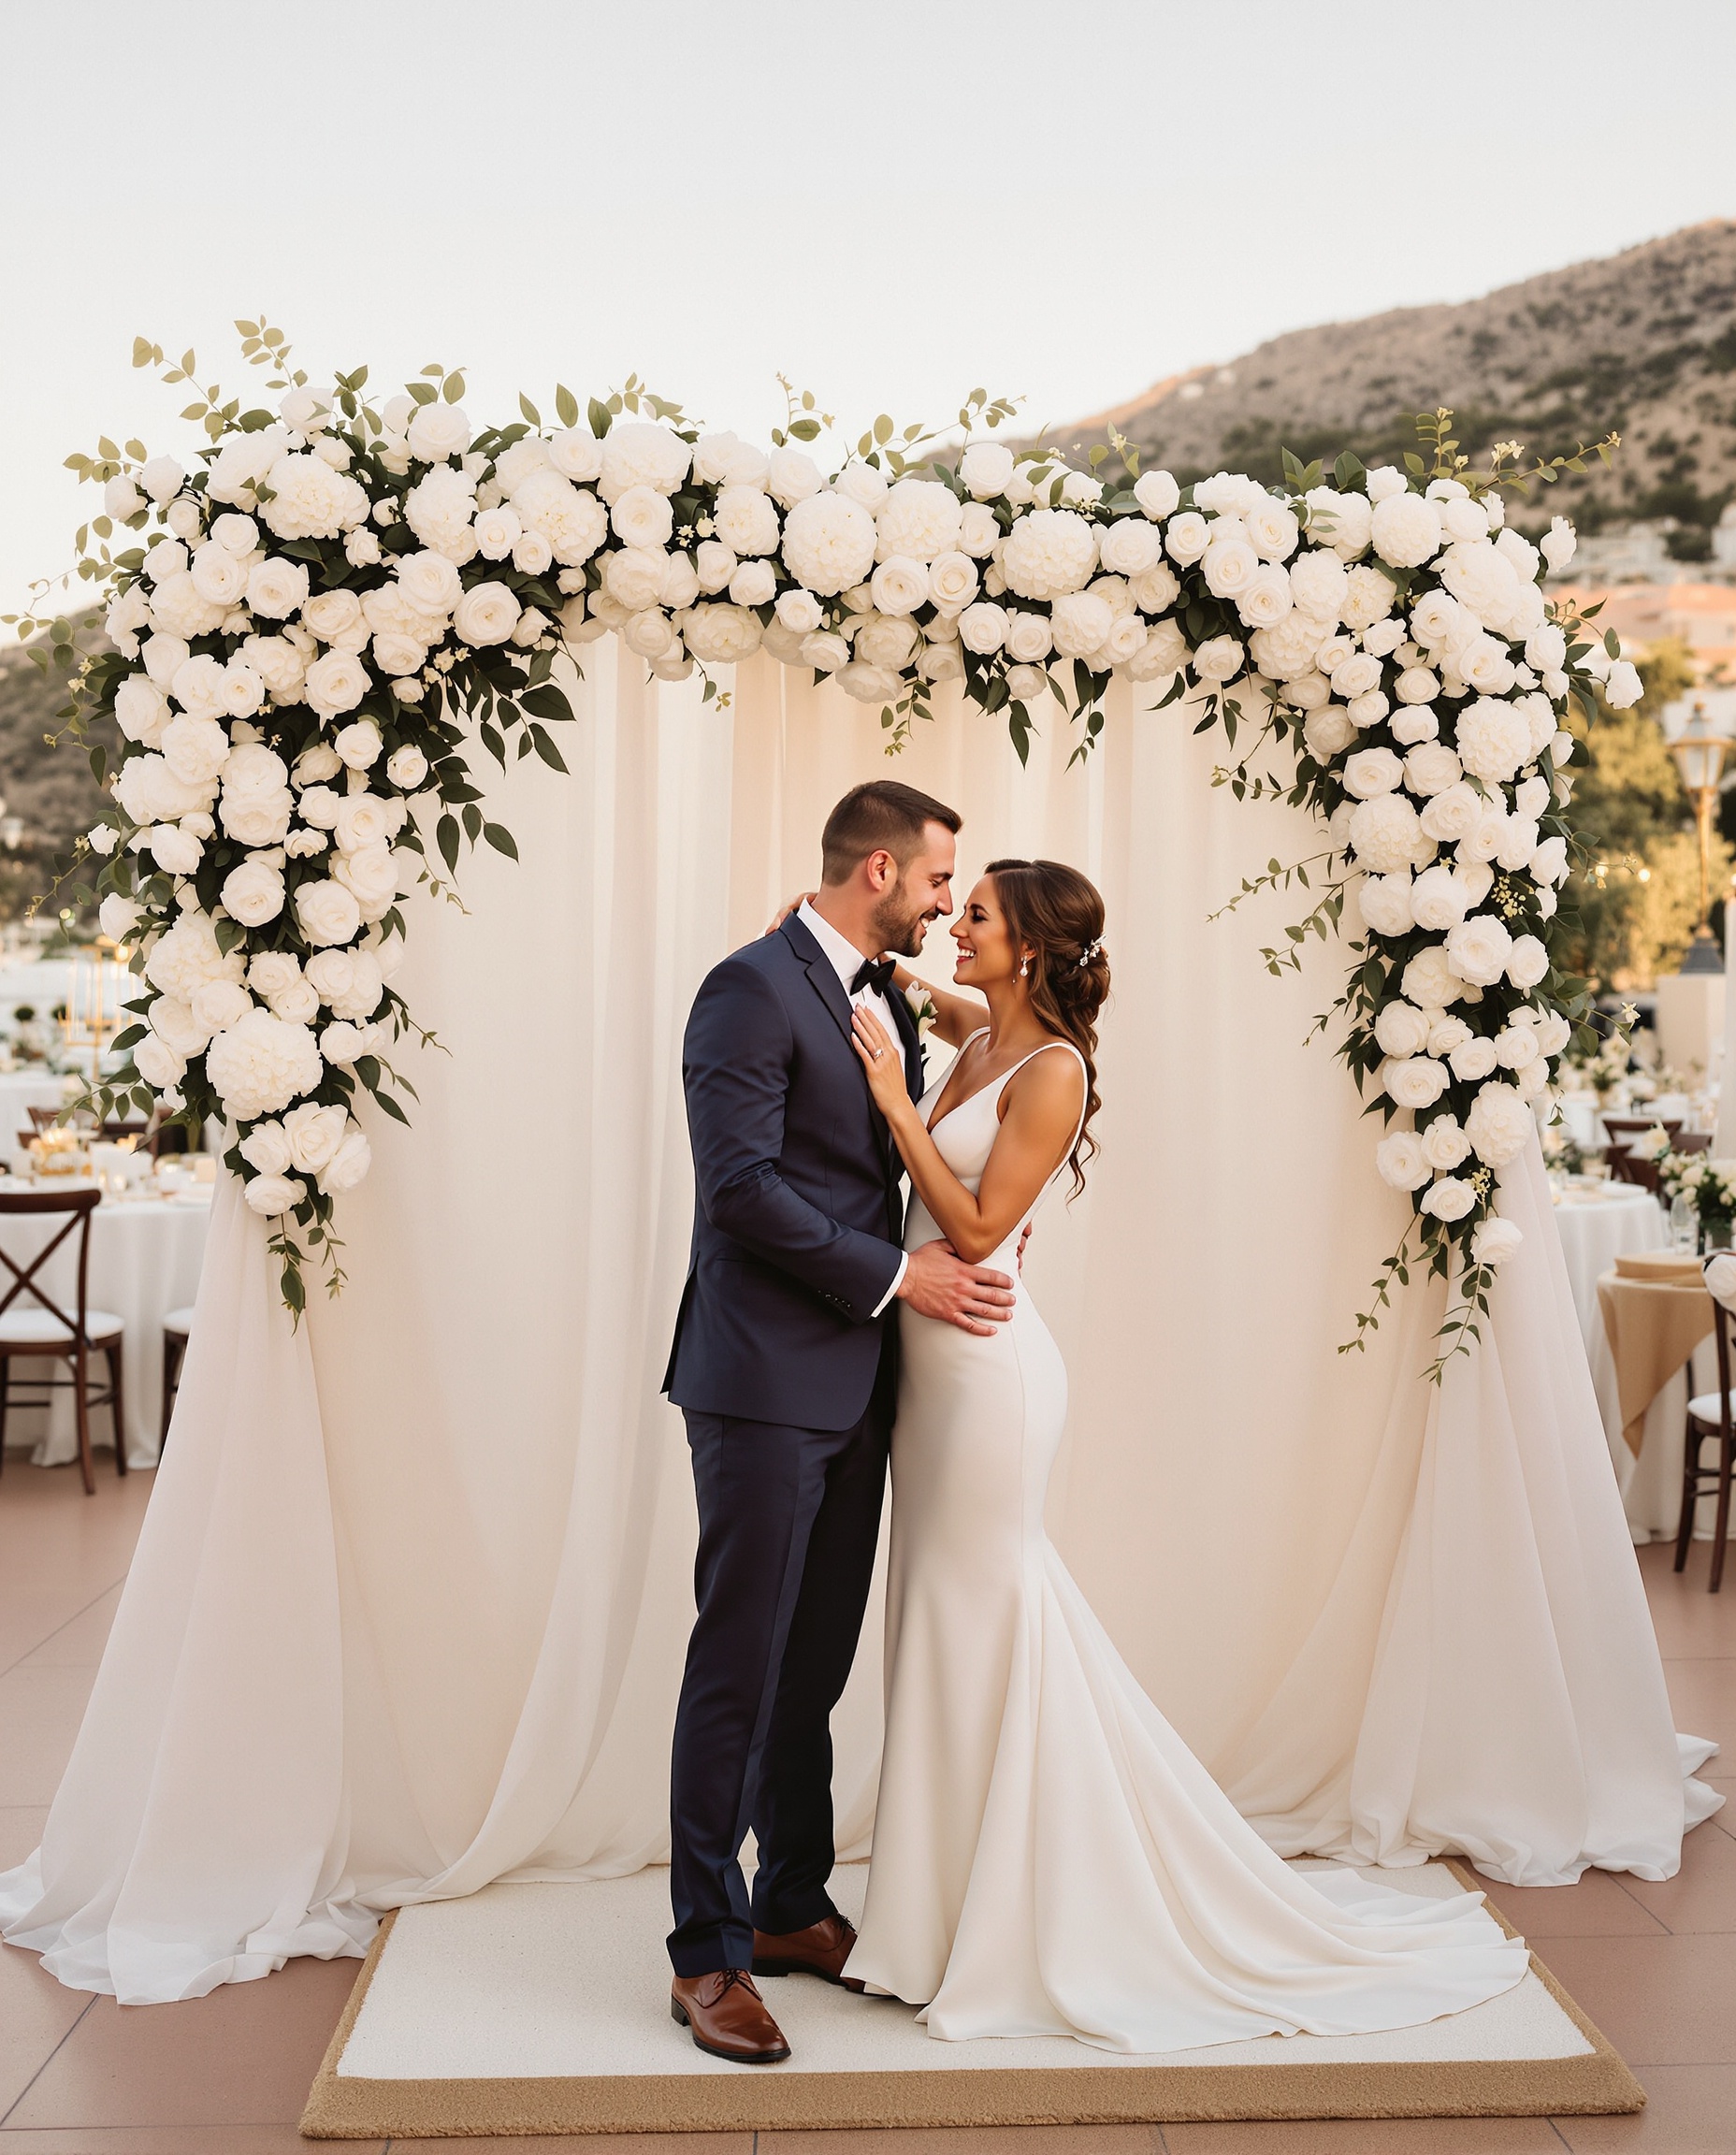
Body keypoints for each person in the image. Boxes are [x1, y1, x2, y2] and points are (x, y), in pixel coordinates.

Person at [841, 856, 1530, 2049]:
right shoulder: (985, 1028)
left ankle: (1024, 1908)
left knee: (988, 1617)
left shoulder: (1051, 1070)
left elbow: (979, 1227)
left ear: (1035, 950)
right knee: (939, 1625)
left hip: (988, 1377)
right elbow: (930, 995)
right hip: (929, 1380)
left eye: (978, 917)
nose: (957, 927)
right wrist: (852, 951)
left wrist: (896, 1106)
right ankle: (935, 1913)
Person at [660, 779, 1020, 2065]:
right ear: (880, 868)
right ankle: (705, 1952)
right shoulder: (749, 989)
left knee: (812, 1667)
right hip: (761, 1383)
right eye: (936, 884)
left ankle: (793, 1905)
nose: (943, 905)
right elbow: (742, 1190)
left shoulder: (867, 986)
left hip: (859, 1387)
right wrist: (896, 1276)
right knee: (739, 1668)